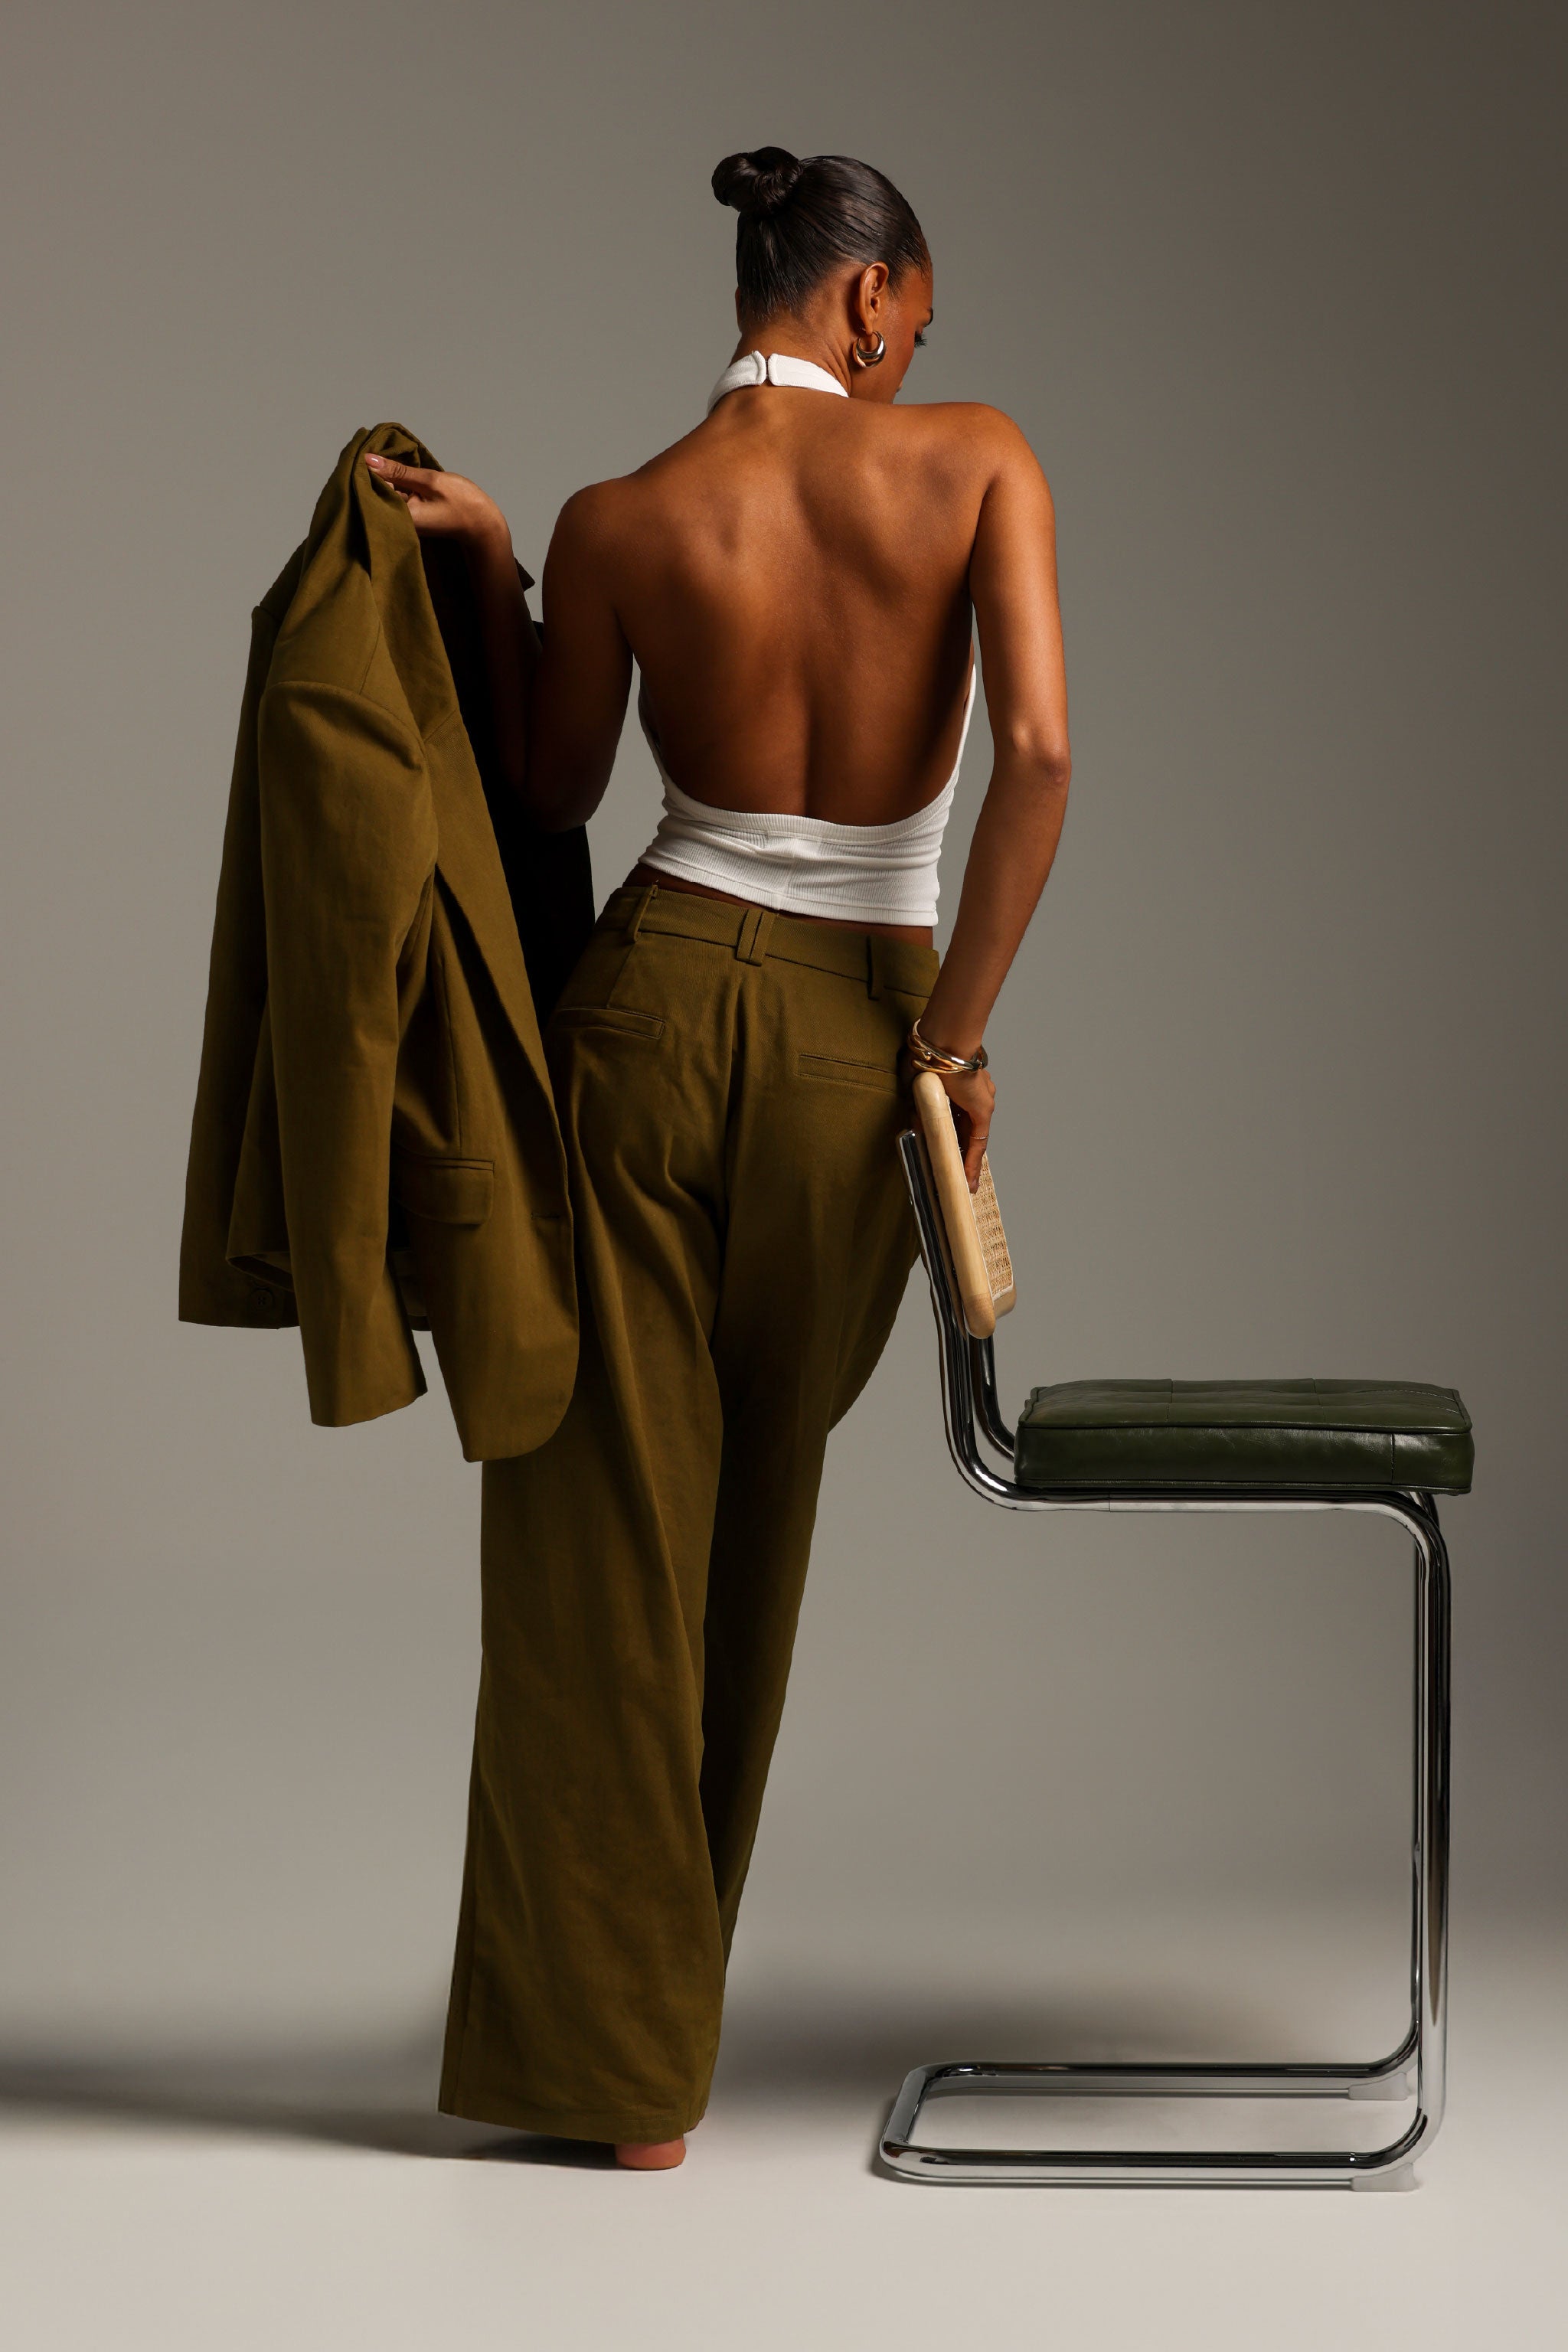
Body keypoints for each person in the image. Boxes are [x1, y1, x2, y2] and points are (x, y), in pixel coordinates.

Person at [363, 145, 1070, 2169]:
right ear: (866, 298)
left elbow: (553, 788)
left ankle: (625, 2079)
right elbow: (1038, 756)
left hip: (650, 1017)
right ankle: (658, 2022)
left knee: (606, 1541)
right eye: (916, 314)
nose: (919, 344)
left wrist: (505, 565)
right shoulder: (978, 458)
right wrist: (953, 1043)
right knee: (758, 1518)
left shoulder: (621, 519)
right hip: (864, 1041)